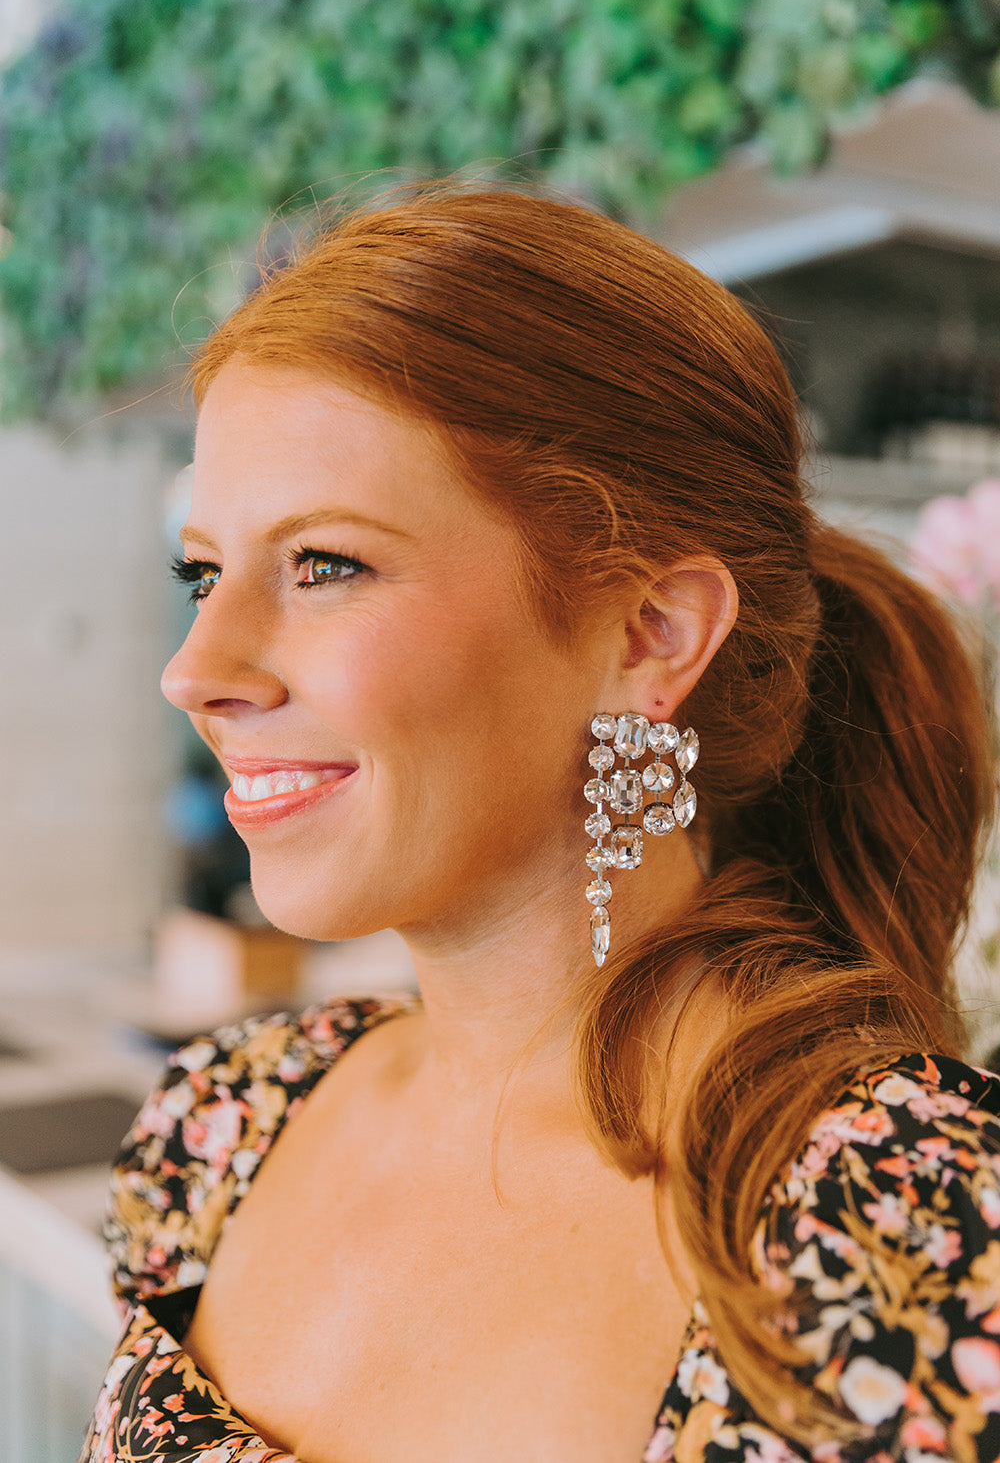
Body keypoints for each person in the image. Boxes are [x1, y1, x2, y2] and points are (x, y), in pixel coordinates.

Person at [82, 185, 1000, 1463]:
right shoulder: (224, 1121)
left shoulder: (917, 1219)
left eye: (325, 565)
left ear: (650, 635)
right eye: (203, 573)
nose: (195, 670)